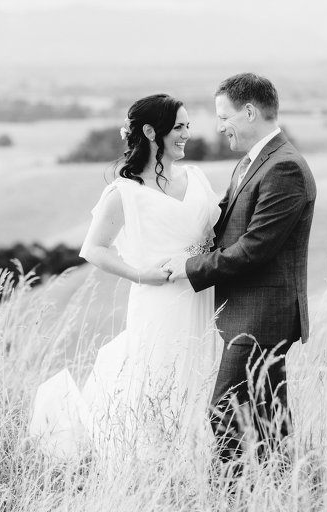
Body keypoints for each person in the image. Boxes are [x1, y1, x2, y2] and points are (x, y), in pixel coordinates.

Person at [29, 94, 223, 459]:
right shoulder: (125, 193)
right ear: (151, 131)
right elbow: (93, 249)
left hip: (202, 298)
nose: (186, 134)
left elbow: (217, 233)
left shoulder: (196, 178)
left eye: (187, 126)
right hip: (159, 302)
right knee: (159, 383)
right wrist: (138, 274)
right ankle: (153, 467)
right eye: (178, 127)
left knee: (199, 383)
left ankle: (195, 466)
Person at [165, 73, 317, 473]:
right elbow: (220, 223)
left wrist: (187, 268)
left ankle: (230, 496)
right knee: (267, 419)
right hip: (251, 314)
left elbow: (254, 249)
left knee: (225, 412)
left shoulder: (283, 169)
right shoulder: (251, 164)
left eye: (223, 116)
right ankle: (284, 490)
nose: (219, 126)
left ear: (249, 111)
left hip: (263, 317)